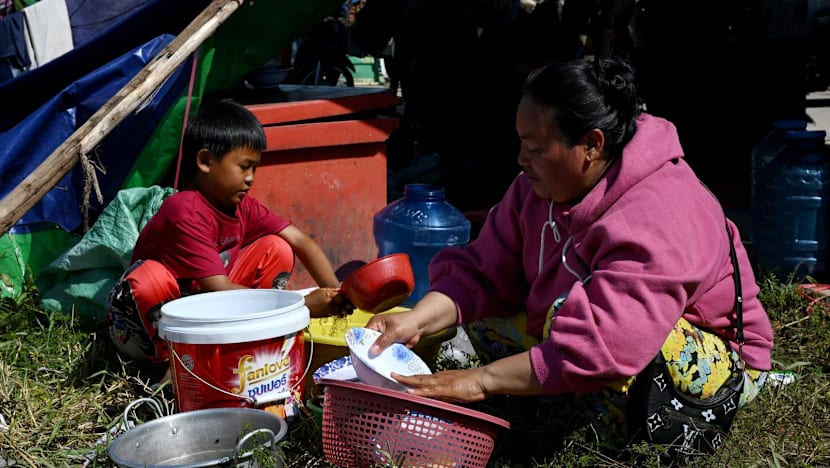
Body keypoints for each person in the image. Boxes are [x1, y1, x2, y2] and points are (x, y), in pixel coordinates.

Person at [365, 57, 774, 455]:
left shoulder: (659, 213)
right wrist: (416, 319)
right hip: (585, 340)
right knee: (490, 316)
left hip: (708, 360)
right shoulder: (536, 186)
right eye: (522, 144)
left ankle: (596, 436)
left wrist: (481, 381)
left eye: (536, 148)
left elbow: (612, 343)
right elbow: (483, 272)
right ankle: (553, 401)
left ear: (591, 145)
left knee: (574, 319)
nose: (522, 160)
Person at [106, 99, 352, 378]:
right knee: (149, 279)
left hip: (203, 307)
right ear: (205, 161)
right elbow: (218, 288)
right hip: (154, 321)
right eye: (244, 167)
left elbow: (299, 240)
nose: (250, 179)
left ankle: (252, 340)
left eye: (255, 168)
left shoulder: (241, 206)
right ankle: (165, 365)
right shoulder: (185, 211)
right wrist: (302, 305)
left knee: (277, 248)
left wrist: (335, 292)